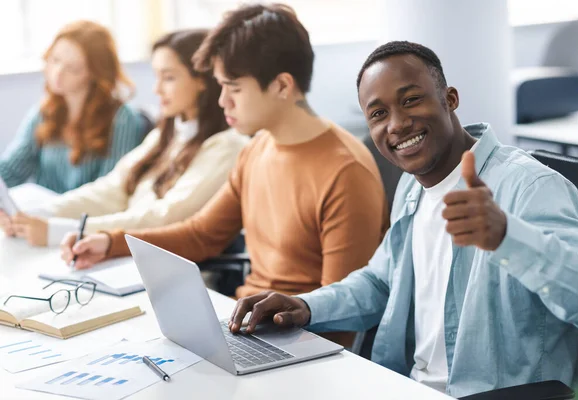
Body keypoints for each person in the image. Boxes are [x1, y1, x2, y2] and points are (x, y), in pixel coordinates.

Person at [225, 41, 578, 397]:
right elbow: (380, 281)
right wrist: (306, 306)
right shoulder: (411, 188)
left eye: (411, 100)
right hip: (405, 387)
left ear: (449, 99)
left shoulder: (530, 186)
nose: (397, 124)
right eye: (378, 114)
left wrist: (507, 237)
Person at [59, 4, 388, 346]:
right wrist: (110, 242)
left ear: (281, 86)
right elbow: (202, 234)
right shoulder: (257, 149)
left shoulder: (346, 171)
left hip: (298, 345)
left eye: (234, 88)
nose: (222, 102)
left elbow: (341, 322)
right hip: (245, 329)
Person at [0, 30, 248, 247]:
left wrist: (60, 230)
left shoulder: (225, 147)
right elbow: (112, 189)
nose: (156, 89)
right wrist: (35, 215)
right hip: (121, 252)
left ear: (203, 81)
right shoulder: (169, 133)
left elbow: (162, 217)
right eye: (156, 76)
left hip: (163, 265)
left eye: (169, 77)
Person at [0, 20, 145, 194]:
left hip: (81, 218)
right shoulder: (44, 113)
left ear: (95, 73)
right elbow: (11, 170)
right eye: (55, 60)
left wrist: (52, 216)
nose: (58, 72)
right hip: (40, 214)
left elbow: (110, 192)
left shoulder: (122, 119)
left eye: (73, 68)